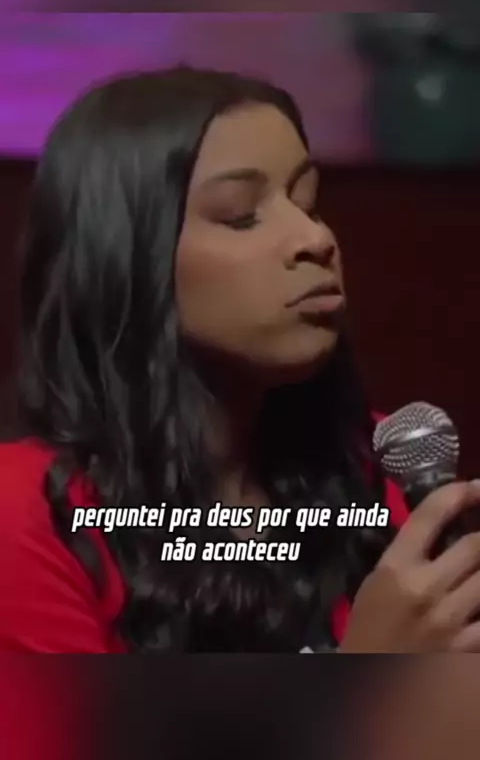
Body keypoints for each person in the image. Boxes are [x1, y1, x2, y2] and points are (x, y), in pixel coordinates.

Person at [1, 67, 480, 653]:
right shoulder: (29, 515)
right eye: (240, 215)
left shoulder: (377, 466)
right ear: (126, 259)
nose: (315, 239)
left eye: (309, 204)